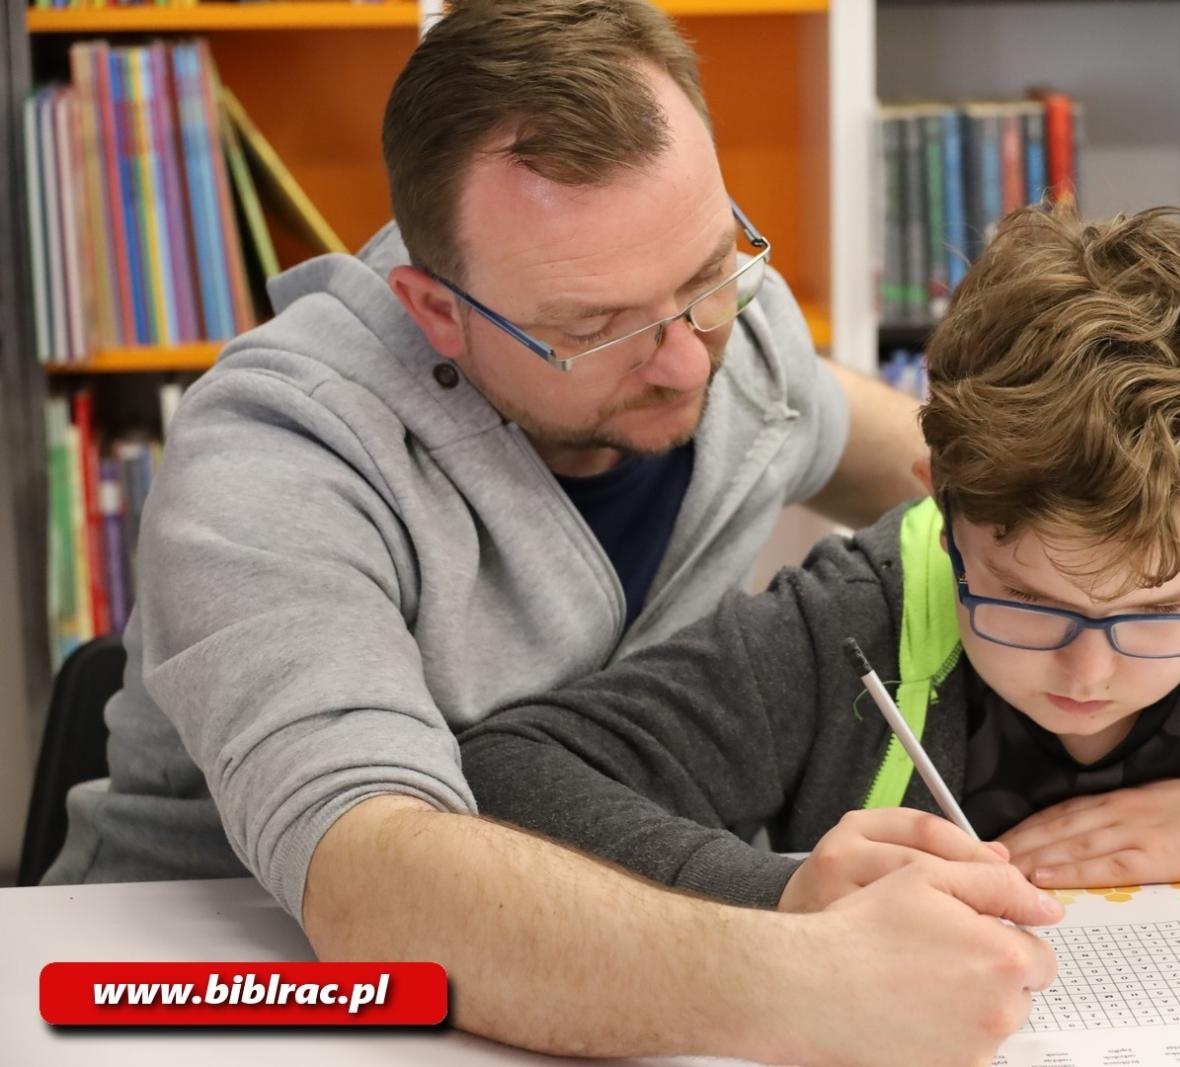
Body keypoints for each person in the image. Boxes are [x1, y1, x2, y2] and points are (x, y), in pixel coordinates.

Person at [42, 3, 1068, 1064]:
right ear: (437, 311)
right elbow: (367, 881)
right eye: (595, 328)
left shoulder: (732, 339)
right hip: (219, 993)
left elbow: (999, 494)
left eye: (708, 273)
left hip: (625, 976)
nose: (687, 360)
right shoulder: (278, 452)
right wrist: (806, 974)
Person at [457, 200, 1180, 918]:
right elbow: (509, 773)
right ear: (941, 501)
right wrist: (780, 889)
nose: (1086, 673)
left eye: (1157, 608)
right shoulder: (849, 619)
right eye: (1025, 601)